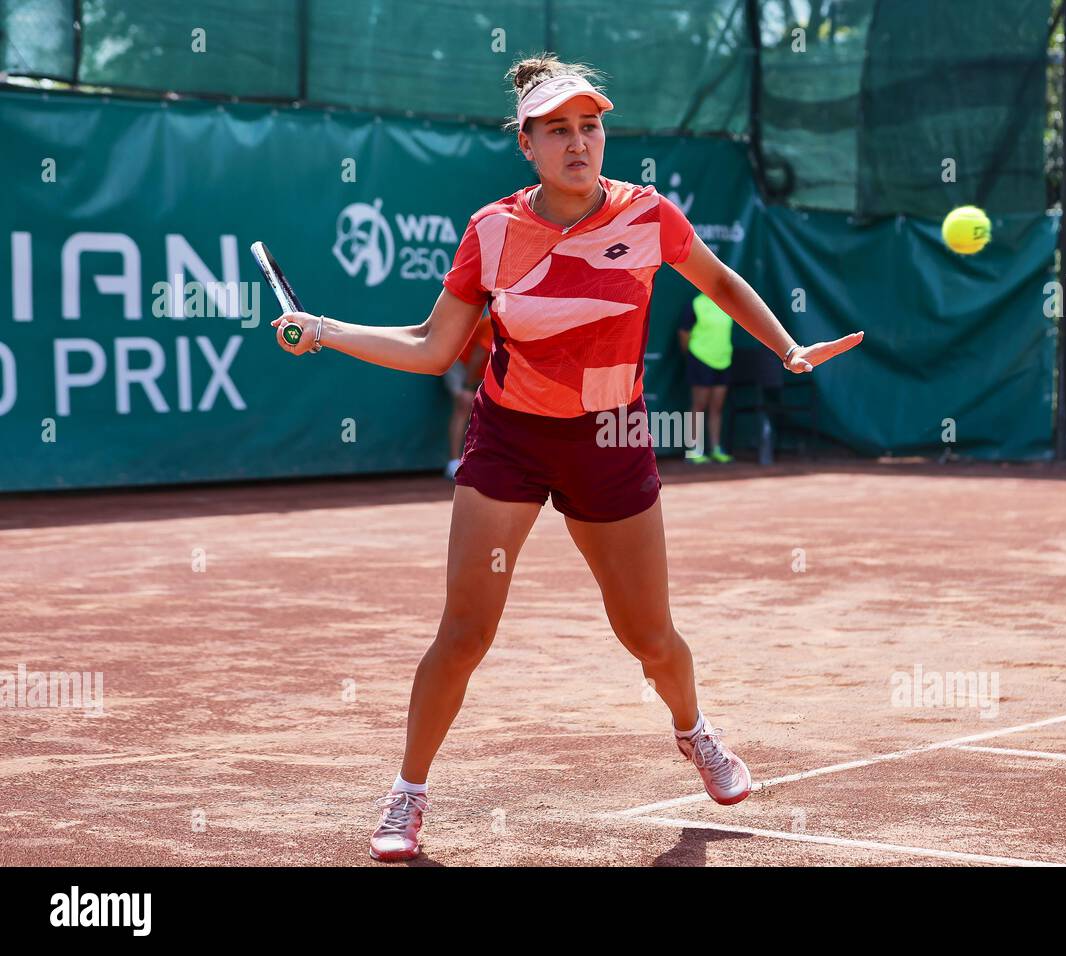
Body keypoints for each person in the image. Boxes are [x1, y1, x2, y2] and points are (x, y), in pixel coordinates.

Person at [271, 54, 863, 862]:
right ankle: (408, 793)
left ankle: (694, 731)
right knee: (465, 631)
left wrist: (789, 349)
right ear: (528, 144)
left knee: (649, 636)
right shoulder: (493, 230)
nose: (580, 142)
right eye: (558, 129)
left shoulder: (649, 216)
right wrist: (330, 330)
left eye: (591, 126)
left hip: (610, 441)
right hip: (510, 440)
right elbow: (432, 344)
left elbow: (719, 283)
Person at [678, 290, 734, 463]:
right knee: (699, 405)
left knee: (717, 406)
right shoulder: (696, 304)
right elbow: (684, 333)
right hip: (700, 359)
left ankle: (716, 448)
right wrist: (691, 355)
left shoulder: (728, 304)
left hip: (723, 360)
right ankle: (695, 449)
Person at [443, 312, 493, 479]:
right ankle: (453, 463)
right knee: (464, 405)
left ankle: (483, 462)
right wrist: (468, 386)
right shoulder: (493, 323)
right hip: (460, 363)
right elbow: (477, 357)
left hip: (485, 371)